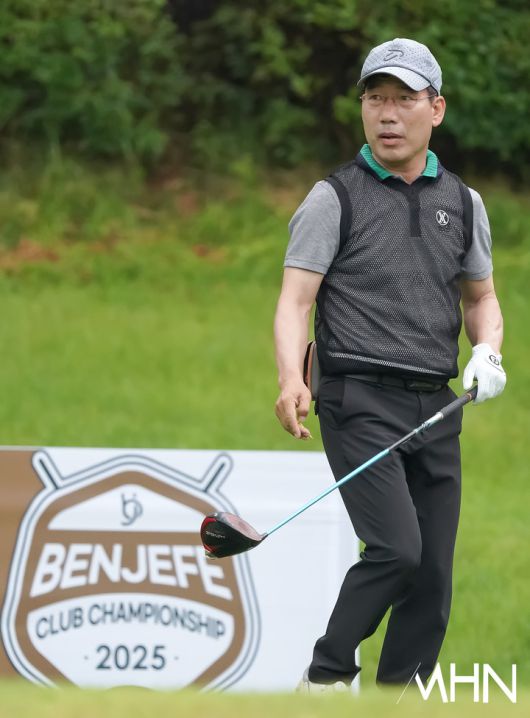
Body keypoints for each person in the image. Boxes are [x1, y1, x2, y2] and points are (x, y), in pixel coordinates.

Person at [273, 38, 506, 693]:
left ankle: (398, 701)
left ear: (437, 108)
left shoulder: (464, 203)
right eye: (376, 98)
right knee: (397, 550)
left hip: (437, 403)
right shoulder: (333, 198)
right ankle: (326, 676)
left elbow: (482, 299)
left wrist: (487, 350)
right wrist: (291, 378)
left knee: (432, 578)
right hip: (358, 398)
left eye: (404, 99)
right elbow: (295, 301)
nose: (387, 113)